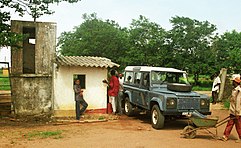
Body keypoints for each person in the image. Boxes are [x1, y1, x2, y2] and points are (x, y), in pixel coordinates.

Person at [222, 76, 241, 143]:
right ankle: (225, 136)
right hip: (233, 111)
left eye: (233, 81)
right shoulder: (235, 89)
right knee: (230, 123)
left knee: (239, 125)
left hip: (237, 112)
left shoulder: (239, 91)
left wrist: (237, 113)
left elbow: (238, 102)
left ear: (236, 82)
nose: (232, 82)